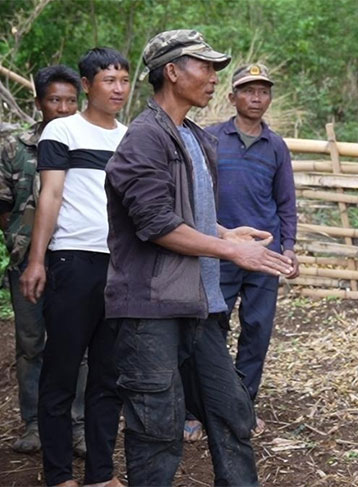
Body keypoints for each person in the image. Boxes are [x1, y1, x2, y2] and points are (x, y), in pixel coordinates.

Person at [104, 29, 294, 486]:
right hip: (151, 309)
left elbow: (184, 216)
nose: (213, 78)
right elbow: (155, 225)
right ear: (172, 71)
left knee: (231, 413)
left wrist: (226, 231)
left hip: (200, 305)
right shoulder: (144, 139)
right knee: (158, 428)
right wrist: (232, 250)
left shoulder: (195, 137)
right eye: (204, 66)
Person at [20, 48, 130, 487]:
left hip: (120, 266)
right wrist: (37, 259)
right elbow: (50, 196)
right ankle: (59, 476)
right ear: (87, 85)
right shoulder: (63, 130)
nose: (118, 89)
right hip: (72, 260)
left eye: (123, 80)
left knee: (107, 376)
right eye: (108, 80)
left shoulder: (130, 136)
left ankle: (101, 475)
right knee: (62, 373)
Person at [205, 63, 299, 435]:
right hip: (221, 251)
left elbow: (286, 203)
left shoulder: (275, 146)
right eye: (248, 90)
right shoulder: (211, 138)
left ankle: (242, 407)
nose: (256, 98)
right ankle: (203, 408)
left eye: (263, 91)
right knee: (211, 328)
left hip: (265, 255)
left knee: (257, 330)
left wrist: (288, 247)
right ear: (232, 97)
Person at [0, 65, 89, 457]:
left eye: (71, 100)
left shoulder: (90, 143)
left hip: (78, 261)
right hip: (27, 263)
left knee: (78, 345)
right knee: (31, 344)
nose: (64, 108)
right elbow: (3, 205)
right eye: (55, 100)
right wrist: (21, 242)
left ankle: (79, 424)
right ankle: (35, 424)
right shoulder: (14, 147)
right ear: (38, 103)